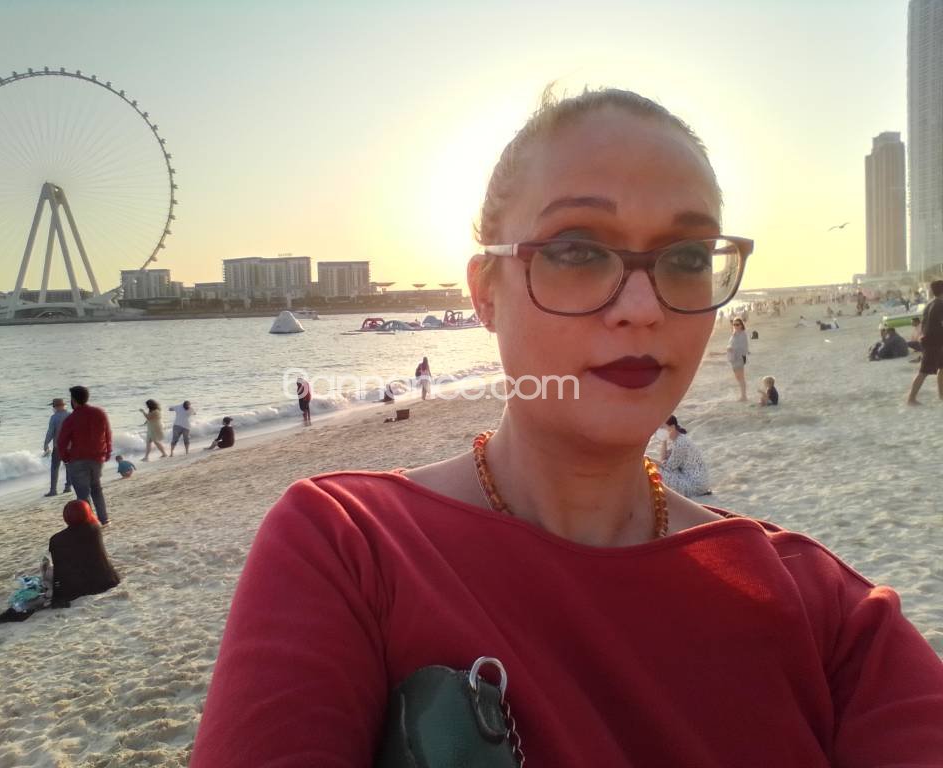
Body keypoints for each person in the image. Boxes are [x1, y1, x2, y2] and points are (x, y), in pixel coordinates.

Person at [191, 88, 943, 767]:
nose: (642, 308)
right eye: (577, 249)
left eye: (686, 256)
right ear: (485, 293)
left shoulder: (825, 613)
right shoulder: (352, 548)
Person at [57, 385, 112, 526]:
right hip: (97, 457)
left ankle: (89, 522)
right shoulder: (100, 413)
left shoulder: (71, 419)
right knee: (96, 488)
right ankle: (104, 519)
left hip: (77, 459)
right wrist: (108, 451)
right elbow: (107, 433)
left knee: (82, 494)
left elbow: (62, 441)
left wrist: (65, 457)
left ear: (73, 400)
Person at [48, 499, 120, 606]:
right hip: (107, 581)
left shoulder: (56, 540)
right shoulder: (95, 529)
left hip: (77, 589)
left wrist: (57, 595)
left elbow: (59, 570)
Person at [907, 279, 943, 405]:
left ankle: (941, 395)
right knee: (924, 372)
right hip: (934, 342)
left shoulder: (930, 304)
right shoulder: (940, 304)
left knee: (942, 368)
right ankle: (911, 398)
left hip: (931, 340)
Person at [658, 415, 710, 497]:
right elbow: (664, 458)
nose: (660, 430)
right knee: (658, 467)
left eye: (662, 427)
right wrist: (663, 440)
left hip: (696, 486)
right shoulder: (678, 439)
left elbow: (667, 467)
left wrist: (650, 459)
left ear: (672, 427)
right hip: (697, 482)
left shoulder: (680, 443)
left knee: (657, 469)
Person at [43, 397, 71, 497]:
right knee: (68, 467)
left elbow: (50, 432)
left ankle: (53, 490)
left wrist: (46, 443)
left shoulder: (54, 417)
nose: (53, 408)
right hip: (70, 446)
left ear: (56, 407)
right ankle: (68, 487)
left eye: (53, 406)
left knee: (54, 468)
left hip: (58, 446)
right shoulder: (70, 415)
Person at [726, 317, 749, 401]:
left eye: (737, 324)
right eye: (734, 324)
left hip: (739, 357)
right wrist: (729, 348)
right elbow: (730, 344)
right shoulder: (734, 334)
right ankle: (743, 395)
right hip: (733, 358)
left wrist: (732, 348)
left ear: (741, 325)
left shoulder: (743, 334)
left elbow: (744, 347)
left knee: (741, 377)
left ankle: (744, 396)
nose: (735, 326)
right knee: (738, 378)